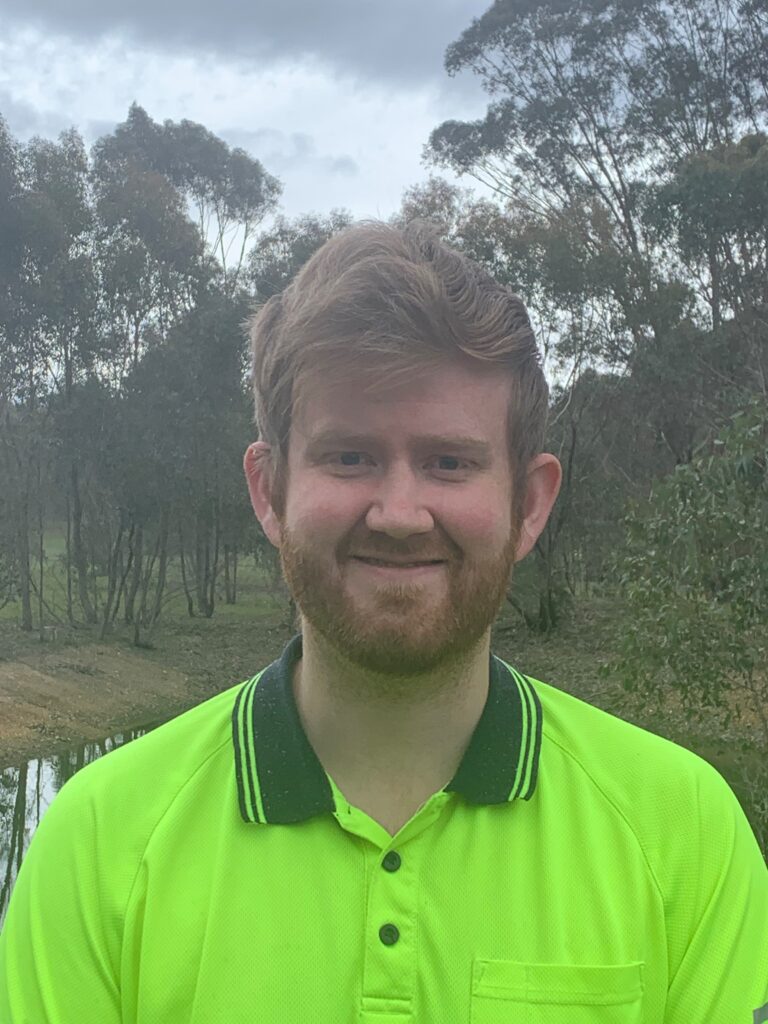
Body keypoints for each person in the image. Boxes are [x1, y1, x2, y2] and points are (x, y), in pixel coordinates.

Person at [0, 221, 766, 1023]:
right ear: (269, 491)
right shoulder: (100, 843)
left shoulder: (684, 834)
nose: (400, 514)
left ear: (530, 503)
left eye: (449, 462)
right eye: (350, 457)